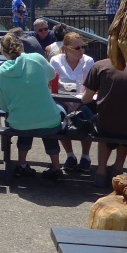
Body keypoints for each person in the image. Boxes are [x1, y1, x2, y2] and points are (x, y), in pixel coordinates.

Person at [0, 32, 65, 181]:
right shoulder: (36, 58)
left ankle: (22, 164)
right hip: (49, 121)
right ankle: (56, 167)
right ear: (21, 46)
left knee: (24, 121)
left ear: (2, 51)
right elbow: (52, 75)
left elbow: (4, 106)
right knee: (51, 118)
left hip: (20, 123)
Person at [80, 59, 127, 188]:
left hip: (106, 125)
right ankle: (118, 168)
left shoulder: (100, 66)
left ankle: (101, 171)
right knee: (125, 120)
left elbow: (86, 99)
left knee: (102, 120)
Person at [50, 32, 95, 172]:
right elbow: (52, 87)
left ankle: (85, 156)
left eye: (83, 47)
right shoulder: (55, 61)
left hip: (83, 100)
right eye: (77, 48)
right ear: (65, 48)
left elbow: (92, 88)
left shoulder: (89, 61)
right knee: (59, 117)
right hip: (63, 100)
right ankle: (70, 155)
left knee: (86, 118)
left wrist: (78, 105)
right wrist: (68, 105)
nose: (81, 51)